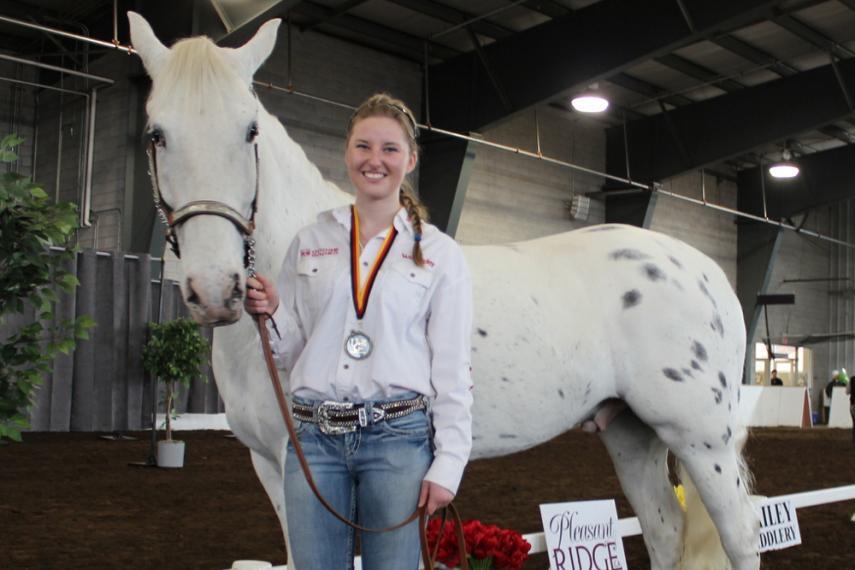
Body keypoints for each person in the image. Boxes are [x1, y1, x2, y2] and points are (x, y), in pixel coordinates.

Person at [244, 93, 474, 569]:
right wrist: (270, 311)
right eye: (363, 146)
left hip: (398, 440)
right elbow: (292, 350)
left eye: (390, 149)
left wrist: (449, 462)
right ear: (347, 154)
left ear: (409, 160)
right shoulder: (310, 241)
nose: (375, 160)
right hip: (314, 438)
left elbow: (453, 368)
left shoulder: (440, 253)